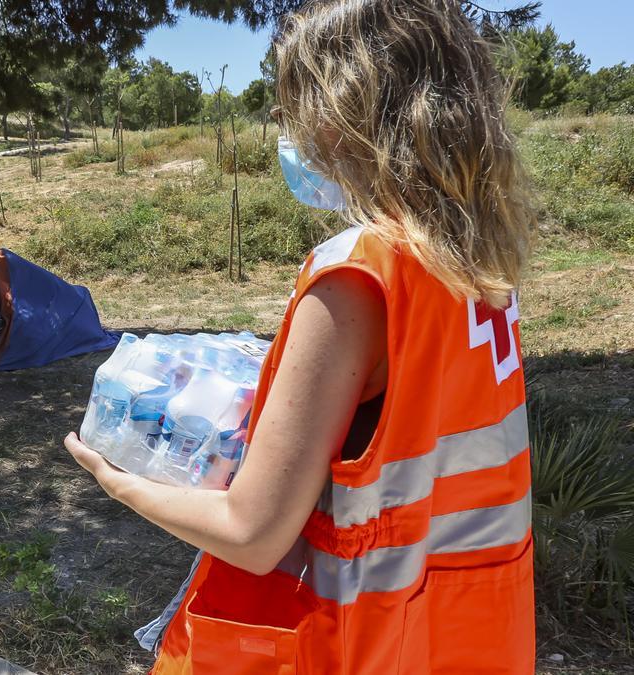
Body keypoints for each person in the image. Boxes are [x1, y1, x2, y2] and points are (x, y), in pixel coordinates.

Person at [65, 1, 537, 672]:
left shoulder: (355, 274)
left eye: (294, 105)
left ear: (347, 109)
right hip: (467, 631)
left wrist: (118, 480)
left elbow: (253, 534)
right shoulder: (476, 261)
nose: (289, 130)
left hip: (363, 643)